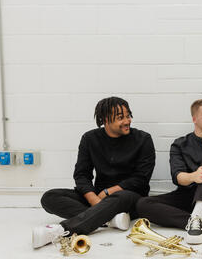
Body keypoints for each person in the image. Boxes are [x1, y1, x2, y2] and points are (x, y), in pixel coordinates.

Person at [34, 96, 155, 248]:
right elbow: (81, 175)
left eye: (128, 116)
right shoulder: (90, 139)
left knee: (120, 197)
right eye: (120, 117)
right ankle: (110, 219)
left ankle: (64, 230)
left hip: (129, 196)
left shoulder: (143, 139)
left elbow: (141, 178)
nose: (127, 121)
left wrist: (108, 192)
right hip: (98, 196)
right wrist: (94, 199)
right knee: (50, 197)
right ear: (105, 119)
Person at [136, 99, 202, 245]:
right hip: (187, 196)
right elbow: (177, 177)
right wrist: (194, 176)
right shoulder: (179, 144)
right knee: (142, 204)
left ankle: (197, 217)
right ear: (194, 119)